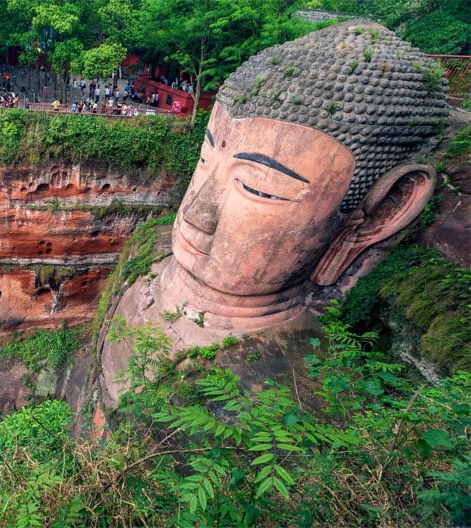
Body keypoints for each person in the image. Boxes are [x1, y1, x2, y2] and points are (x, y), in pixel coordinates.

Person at [99, 20, 447, 406]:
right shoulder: (148, 253)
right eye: (203, 159)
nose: (196, 214)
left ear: (385, 211)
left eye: (257, 187)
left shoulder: (298, 395)